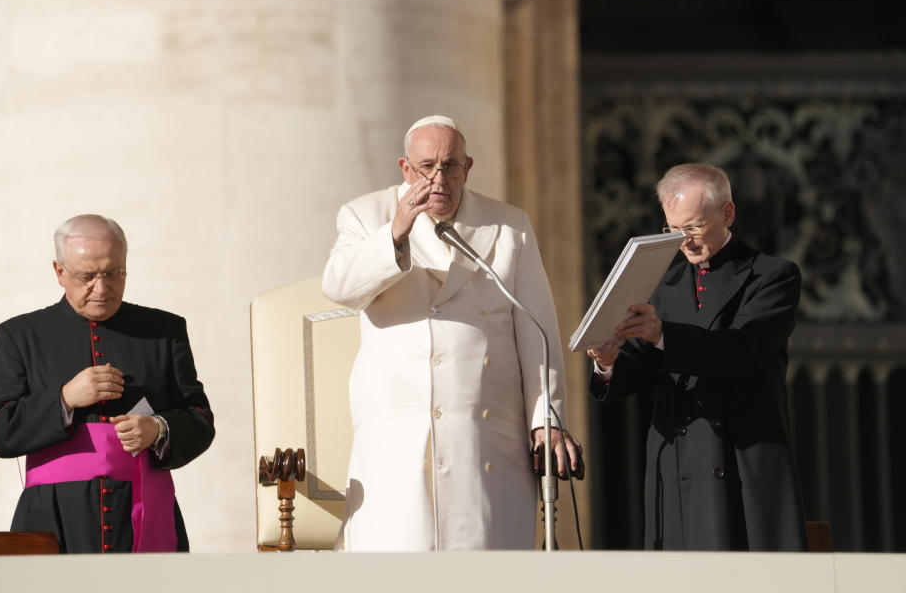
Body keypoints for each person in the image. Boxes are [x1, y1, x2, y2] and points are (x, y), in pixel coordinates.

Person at [322, 115, 579, 551]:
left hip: (485, 439)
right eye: (427, 167)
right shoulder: (366, 215)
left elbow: (537, 330)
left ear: (468, 167)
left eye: (450, 166)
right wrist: (397, 230)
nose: (439, 178)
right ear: (405, 169)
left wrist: (546, 420)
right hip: (399, 437)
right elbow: (339, 287)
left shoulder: (508, 225)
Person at [587, 163, 806, 551]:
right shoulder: (662, 285)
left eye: (692, 227)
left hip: (741, 463)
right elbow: (640, 367)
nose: (683, 241)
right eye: (672, 229)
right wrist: (608, 361)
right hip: (679, 467)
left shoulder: (773, 276)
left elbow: (744, 350)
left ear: (727, 213)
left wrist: (663, 335)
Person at [0, 214, 215, 553]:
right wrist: (64, 399)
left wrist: (158, 429)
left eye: (113, 273)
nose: (102, 288)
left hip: (142, 513)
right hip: (53, 517)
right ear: (60, 272)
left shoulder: (164, 331)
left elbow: (200, 418)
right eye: (87, 276)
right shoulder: (19, 335)